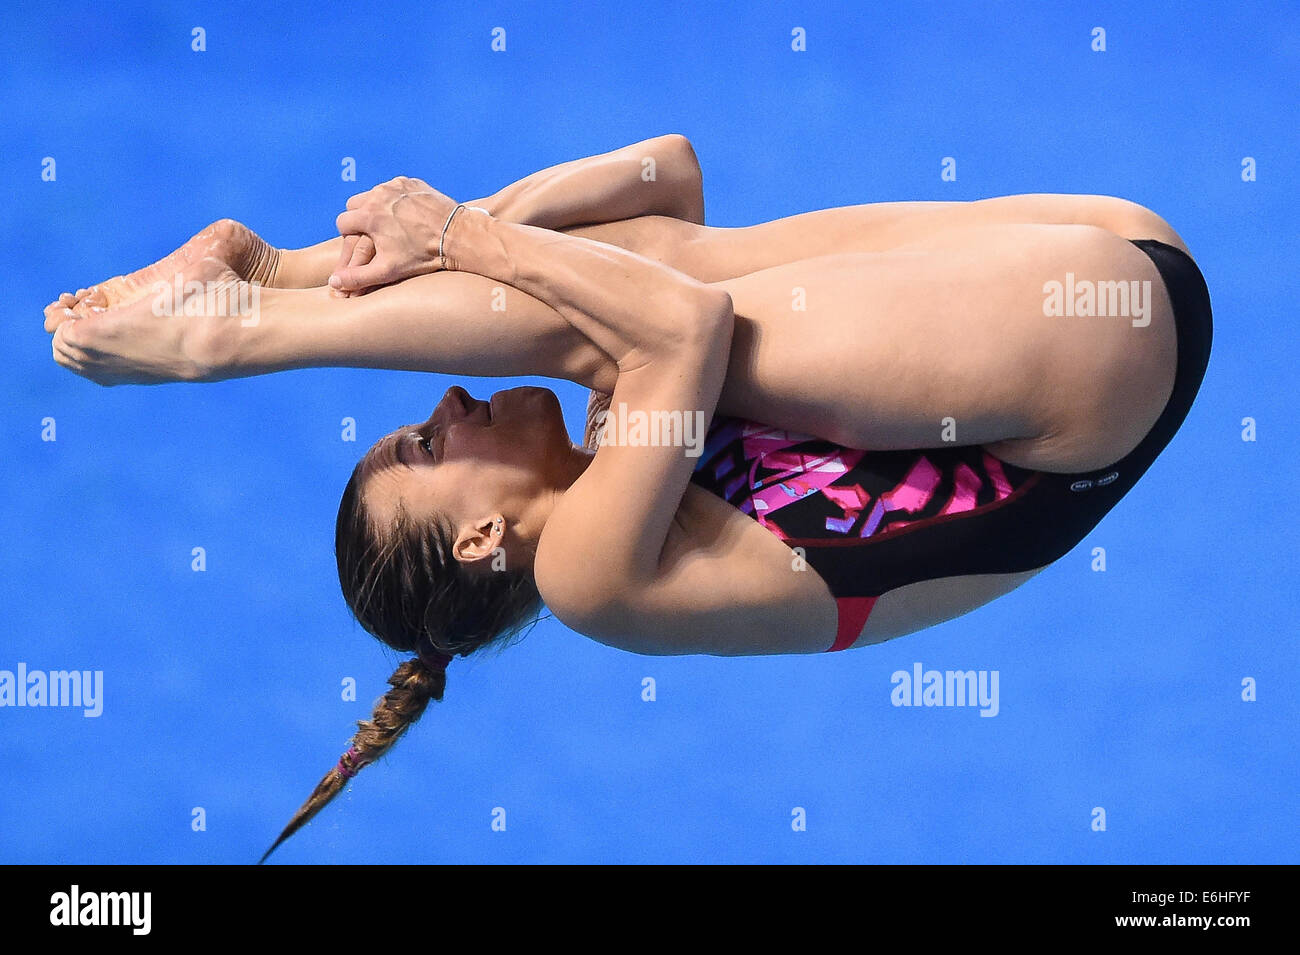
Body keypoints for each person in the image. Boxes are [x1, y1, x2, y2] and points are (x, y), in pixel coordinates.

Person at [42, 135, 1211, 860]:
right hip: (1095, 377)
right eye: (420, 447)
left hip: (1102, 262)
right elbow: (677, 329)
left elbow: (668, 169)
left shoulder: (615, 444)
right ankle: (232, 335)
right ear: (483, 535)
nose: (446, 400)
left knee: (635, 261)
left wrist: (458, 237)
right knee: (611, 315)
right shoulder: (587, 576)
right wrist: (459, 234)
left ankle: (276, 282)